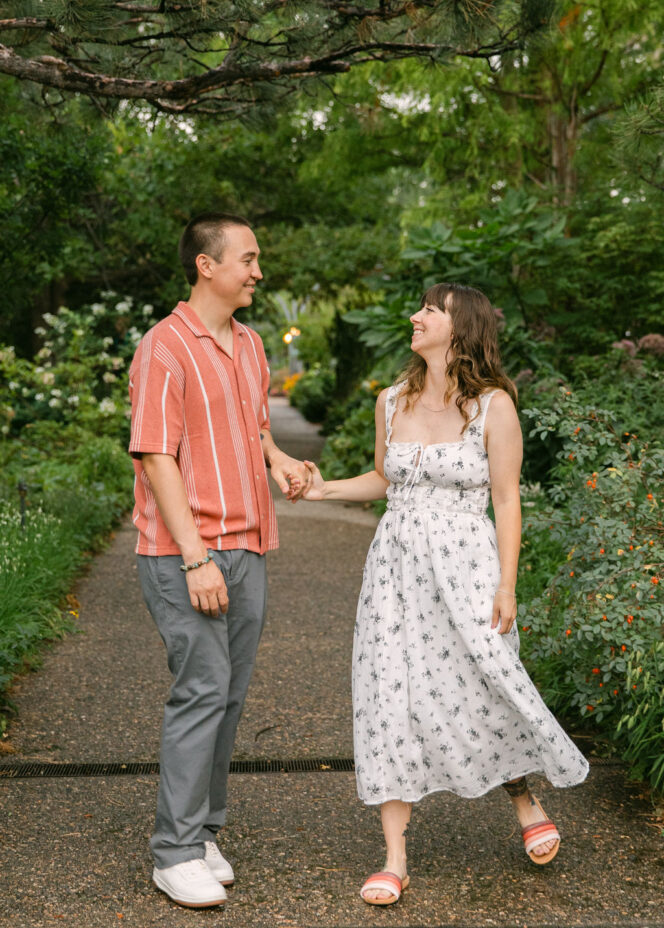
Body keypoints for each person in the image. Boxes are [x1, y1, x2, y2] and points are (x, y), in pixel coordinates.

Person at [300, 283, 589, 906]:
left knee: (482, 683)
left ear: (461, 328)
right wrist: (323, 491)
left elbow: (507, 500)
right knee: (390, 694)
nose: (415, 316)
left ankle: (523, 795)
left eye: (429, 310)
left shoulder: (493, 407)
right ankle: (395, 857)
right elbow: (383, 478)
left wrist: (507, 584)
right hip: (395, 573)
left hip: (467, 568)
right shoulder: (390, 400)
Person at [128, 213, 310, 909]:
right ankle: (172, 851)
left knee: (228, 697)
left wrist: (280, 459)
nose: (258, 271)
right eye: (249, 258)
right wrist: (196, 557)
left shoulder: (253, 344)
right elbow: (154, 456)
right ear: (208, 266)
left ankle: (202, 830)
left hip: (250, 545)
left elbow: (255, 424)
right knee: (202, 689)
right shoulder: (164, 348)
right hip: (187, 556)